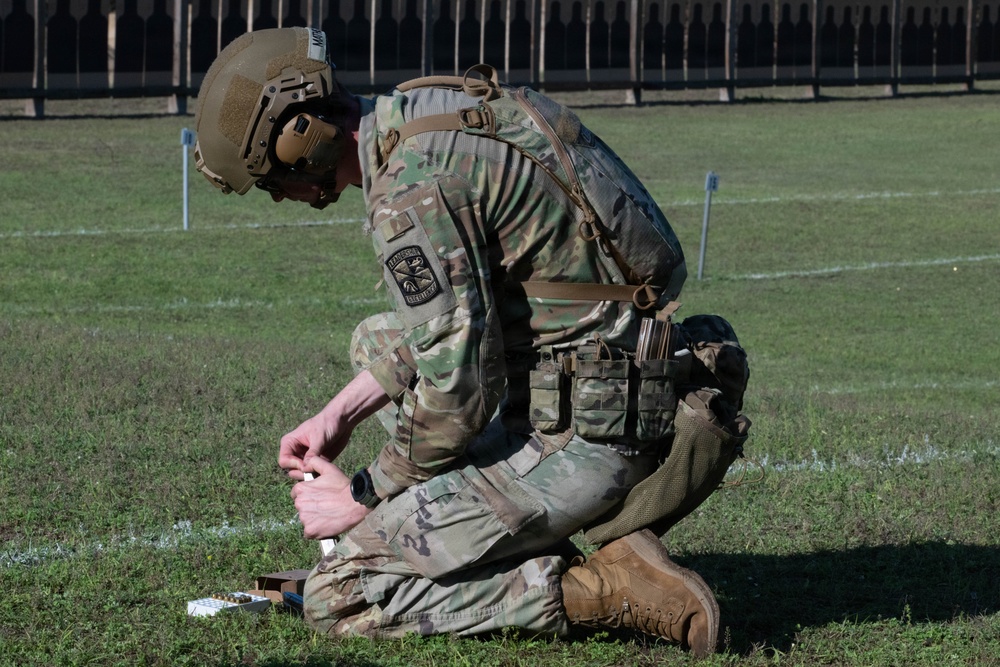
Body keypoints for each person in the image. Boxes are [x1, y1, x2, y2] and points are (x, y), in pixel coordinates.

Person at [195, 26, 719, 657]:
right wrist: (338, 414)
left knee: (341, 594)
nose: (282, 196)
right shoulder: (430, 112)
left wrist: (361, 495)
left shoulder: (411, 191)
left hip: (589, 437)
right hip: (624, 378)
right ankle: (477, 528)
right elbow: (467, 324)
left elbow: (458, 393)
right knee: (374, 342)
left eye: (273, 180)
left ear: (302, 140)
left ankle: (605, 589)